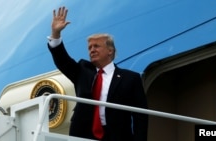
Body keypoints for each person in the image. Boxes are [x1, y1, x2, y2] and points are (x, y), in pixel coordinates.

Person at [47, 7, 148, 141]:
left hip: (117, 136)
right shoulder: (82, 71)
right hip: (83, 135)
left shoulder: (130, 78)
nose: (92, 50)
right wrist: (55, 34)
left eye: (96, 46)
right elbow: (62, 60)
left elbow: (140, 116)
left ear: (110, 51)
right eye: (89, 48)